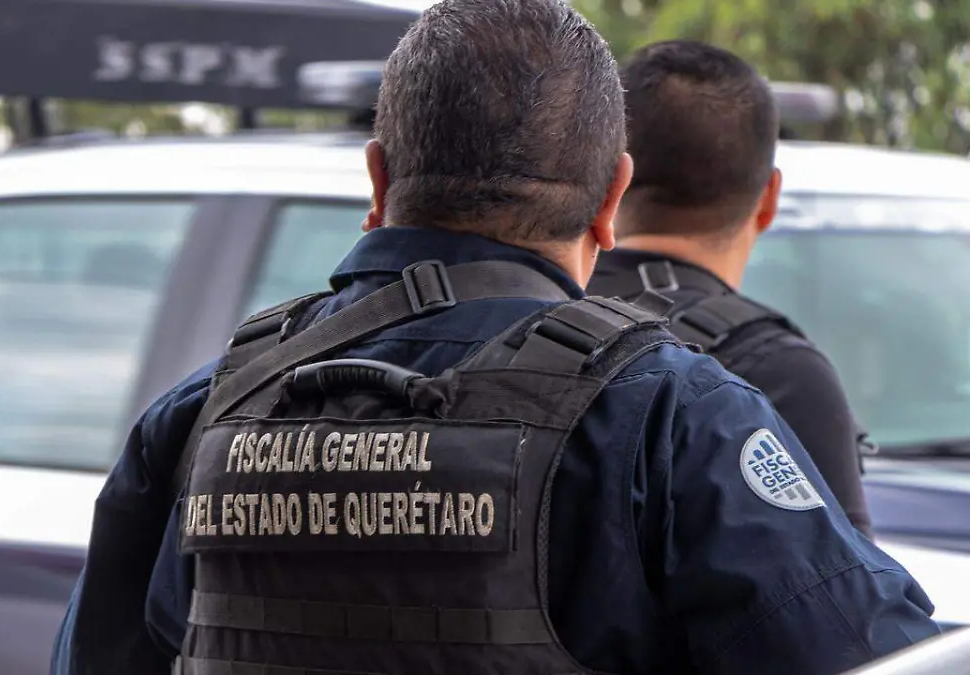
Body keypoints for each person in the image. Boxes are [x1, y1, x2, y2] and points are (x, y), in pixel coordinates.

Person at [51, 3, 939, 674]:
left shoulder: (199, 416)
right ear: (610, 199)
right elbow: (874, 652)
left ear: (378, 179)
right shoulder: (674, 422)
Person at [586, 40, 876, 538]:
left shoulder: (524, 321)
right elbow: (845, 586)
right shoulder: (781, 374)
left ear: (611, 180)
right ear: (769, 197)